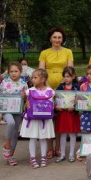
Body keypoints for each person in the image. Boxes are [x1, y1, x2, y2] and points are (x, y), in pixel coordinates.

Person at [38, 27, 73, 158]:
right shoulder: (44, 53)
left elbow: (70, 70)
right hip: (46, 87)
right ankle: (49, 148)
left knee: (59, 118)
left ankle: (58, 146)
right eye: (55, 37)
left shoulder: (68, 51)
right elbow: (41, 72)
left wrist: (63, 87)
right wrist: (48, 88)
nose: (57, 40)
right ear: (50, 39)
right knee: (48, 118)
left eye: (59, 37)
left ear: (62, 39)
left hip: (63, 88)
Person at [0, 62, 28, 165]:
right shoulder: (4, 82)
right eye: (11, 71)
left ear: (20, 72)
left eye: (16, 71)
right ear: (8, 72)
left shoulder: (23, 84)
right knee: (11, 123)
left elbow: (27, 98)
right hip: (6, 110)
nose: (13, 73)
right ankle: (7, 144)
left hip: (17, 110)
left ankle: (11, 156)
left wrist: (25, 97)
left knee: (15, 133)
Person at [20, 69, 55, 169]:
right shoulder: (29, 91)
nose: (33, 79)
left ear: (43, 79)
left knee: (43, 138)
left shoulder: (50, 91)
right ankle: (33, 158)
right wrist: (26, 104)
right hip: (33, 118)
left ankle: (43, 157)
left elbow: (52, 104)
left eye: (35, 77)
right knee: (33, 137)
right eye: (32, 77)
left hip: (44, 118)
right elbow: (26, 104)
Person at [55, 67, 80, 163]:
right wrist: (56, 107)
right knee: (63, 133)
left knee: (72, 133)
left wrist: (75, 106)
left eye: (68, 76)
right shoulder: (60, 86)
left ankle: (71, 155)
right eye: (64, 76)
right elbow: (56, 98)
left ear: (73, 77)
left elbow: (79, 100)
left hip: (72, 114)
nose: (66, 78)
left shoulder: (76, 87)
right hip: (63, 114)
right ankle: (62, 154)